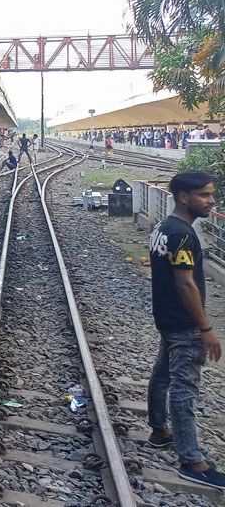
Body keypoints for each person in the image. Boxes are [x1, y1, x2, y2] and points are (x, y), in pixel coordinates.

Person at [145, 171, 225, 488]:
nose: (212, 200)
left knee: (162, 374)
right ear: (183, 197)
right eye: (205, 195)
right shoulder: (182, 235)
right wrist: (205, 327)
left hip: (166, 318)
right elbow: (185, 283)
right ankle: (191, 461)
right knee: (183, 389)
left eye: (211, 194)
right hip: (185, 324)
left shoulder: (164, 228)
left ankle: (159, 430)